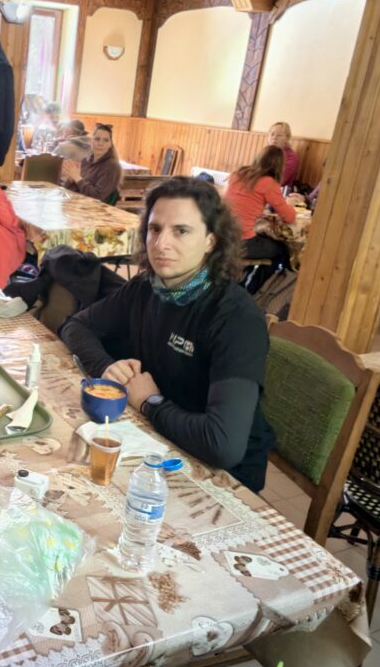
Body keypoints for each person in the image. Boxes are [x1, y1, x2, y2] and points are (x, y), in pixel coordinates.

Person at [61, 177, 275, 492]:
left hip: (221, 476)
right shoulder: (145, 287)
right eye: (155, 229)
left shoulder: (235, 319)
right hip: (157, 440)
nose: (161, 244)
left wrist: (150, 402)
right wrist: (107, 368)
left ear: (211, 241)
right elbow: (75, 326)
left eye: (181, 231)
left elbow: (223, 445)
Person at [223, 145, 296, 274]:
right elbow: (289, 217)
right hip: (241, 243)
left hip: (220, 236)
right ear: (280, 166)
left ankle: (247, 277)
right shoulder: (269, 183)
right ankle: (262, 285)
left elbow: (240, 203)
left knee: (262, 238)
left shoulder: (238, 174)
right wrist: (291, 204)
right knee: (284, 249)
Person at [61, 123, 123, 204]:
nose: (100, 143)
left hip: (94, 209)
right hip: (75, 204)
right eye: (97, 139)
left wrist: (77, 178)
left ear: (110, 144)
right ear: (92, 141)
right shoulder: (86, 160)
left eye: (106, 140)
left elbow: (97, 196)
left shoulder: (112, 166)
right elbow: (67, 190)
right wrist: (71, 179)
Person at [267, 121, 299, 188]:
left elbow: (280, 180)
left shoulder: (291, 157)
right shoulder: (266, 152)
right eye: (272, 134)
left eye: (279, 135)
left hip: (278, 190)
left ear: (287, 138)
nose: (274, 137)